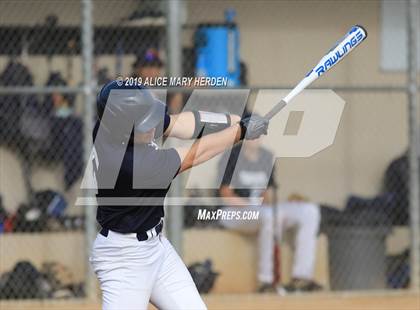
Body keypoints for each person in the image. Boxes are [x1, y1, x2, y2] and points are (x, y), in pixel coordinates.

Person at [89, 80, 269, 310]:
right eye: (145, 125)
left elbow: (180, 123)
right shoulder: (132, 166)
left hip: (156, 248)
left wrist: (235, 120)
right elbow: (197, 153)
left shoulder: (112, 125)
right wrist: (241, 131)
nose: (152, 127)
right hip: (124, 259)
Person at [218, 137, 322, 293]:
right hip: (233, 212)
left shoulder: (266, 156)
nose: (255, 138)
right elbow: (226, 194)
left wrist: (279, 204)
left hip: (262, 210)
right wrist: (254, 207)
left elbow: (270, 193)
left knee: (309, 211)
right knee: (269, 216)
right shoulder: (232, 156)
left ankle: (302, 277)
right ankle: (266, 281)